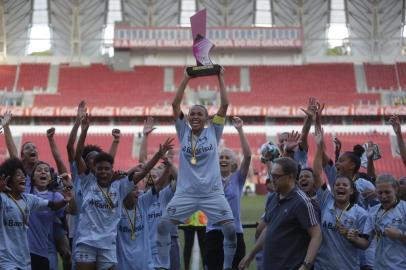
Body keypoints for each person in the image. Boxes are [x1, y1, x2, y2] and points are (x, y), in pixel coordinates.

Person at [156, 67, 237, 270]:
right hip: (186, 194)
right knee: (163, 227)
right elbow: (175, 105)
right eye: (191, 114)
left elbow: (225, 104)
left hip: (212, 194)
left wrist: (220, 77)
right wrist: (185, 78)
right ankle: (163, 266)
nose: (194, 117)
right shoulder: (183, 130)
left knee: (230, 231)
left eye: (199, 114)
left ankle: (227, 267)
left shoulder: (214, 131)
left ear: (207, 118)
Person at [74, 130, 173, 270]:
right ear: (94, 170)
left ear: (112, 170)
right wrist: (83, 128)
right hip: (86, 243)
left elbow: (143, 172)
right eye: (100, 169)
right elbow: (77, 157)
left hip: (107, 245)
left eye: (107, 169)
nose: (103, 172)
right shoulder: (87, 183)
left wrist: (158, 154)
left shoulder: (119, 187)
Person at [239, 157, 321, 270]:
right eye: (271, 175)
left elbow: (317, 235)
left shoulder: (302, 202)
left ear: (290, 177)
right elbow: (268, 228)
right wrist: (251, 254)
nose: (272, 179)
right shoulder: (273, 197)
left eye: (276, 176)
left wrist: (305, 266)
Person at [0, 158, 73, 270]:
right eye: (18, 175)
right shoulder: (3, 199)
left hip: (24, 261)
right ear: (9, 179)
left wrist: (65, 200)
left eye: (24, 175)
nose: (23, 177)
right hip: (5, 260)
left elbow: (51, 205)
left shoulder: (29, 199)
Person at [312, 127, 368, 270]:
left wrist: (354, 238)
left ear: (351, 191)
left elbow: (365, 243)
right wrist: (319, 146)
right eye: (337, 185)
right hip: (322, 267)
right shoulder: (326, 200)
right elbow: (317, 174)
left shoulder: (360, 214)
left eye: (344, 185)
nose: (340, 187)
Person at [205, 116, 251, 270]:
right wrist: (211, 132)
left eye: (227, 157)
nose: (223, 159)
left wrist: (240, 129)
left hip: (235, 233)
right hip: (213, 233)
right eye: (221, 157)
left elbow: (249, 155)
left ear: (233, 162)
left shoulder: (238, 178)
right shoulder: (210, 177)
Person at [346, 174, 406, 270]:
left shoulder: (404, 208)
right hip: (379, 266)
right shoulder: (373, 211)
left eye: (387, 192)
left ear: (396, 190)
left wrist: (400, 235)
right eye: (380, 192)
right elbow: (365, 243)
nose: (383, 196)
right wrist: (354, 238)